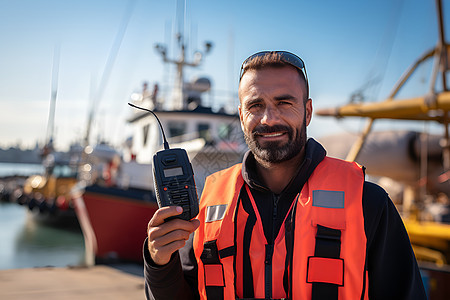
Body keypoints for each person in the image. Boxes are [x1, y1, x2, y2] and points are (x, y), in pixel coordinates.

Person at [143, 51, 427, 299]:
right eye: (256, 106)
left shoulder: (368, 204)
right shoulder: (208, 206)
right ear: (241, 116)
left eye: (284, 103)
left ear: (308, 111)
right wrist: (159, 263)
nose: (269, 119)